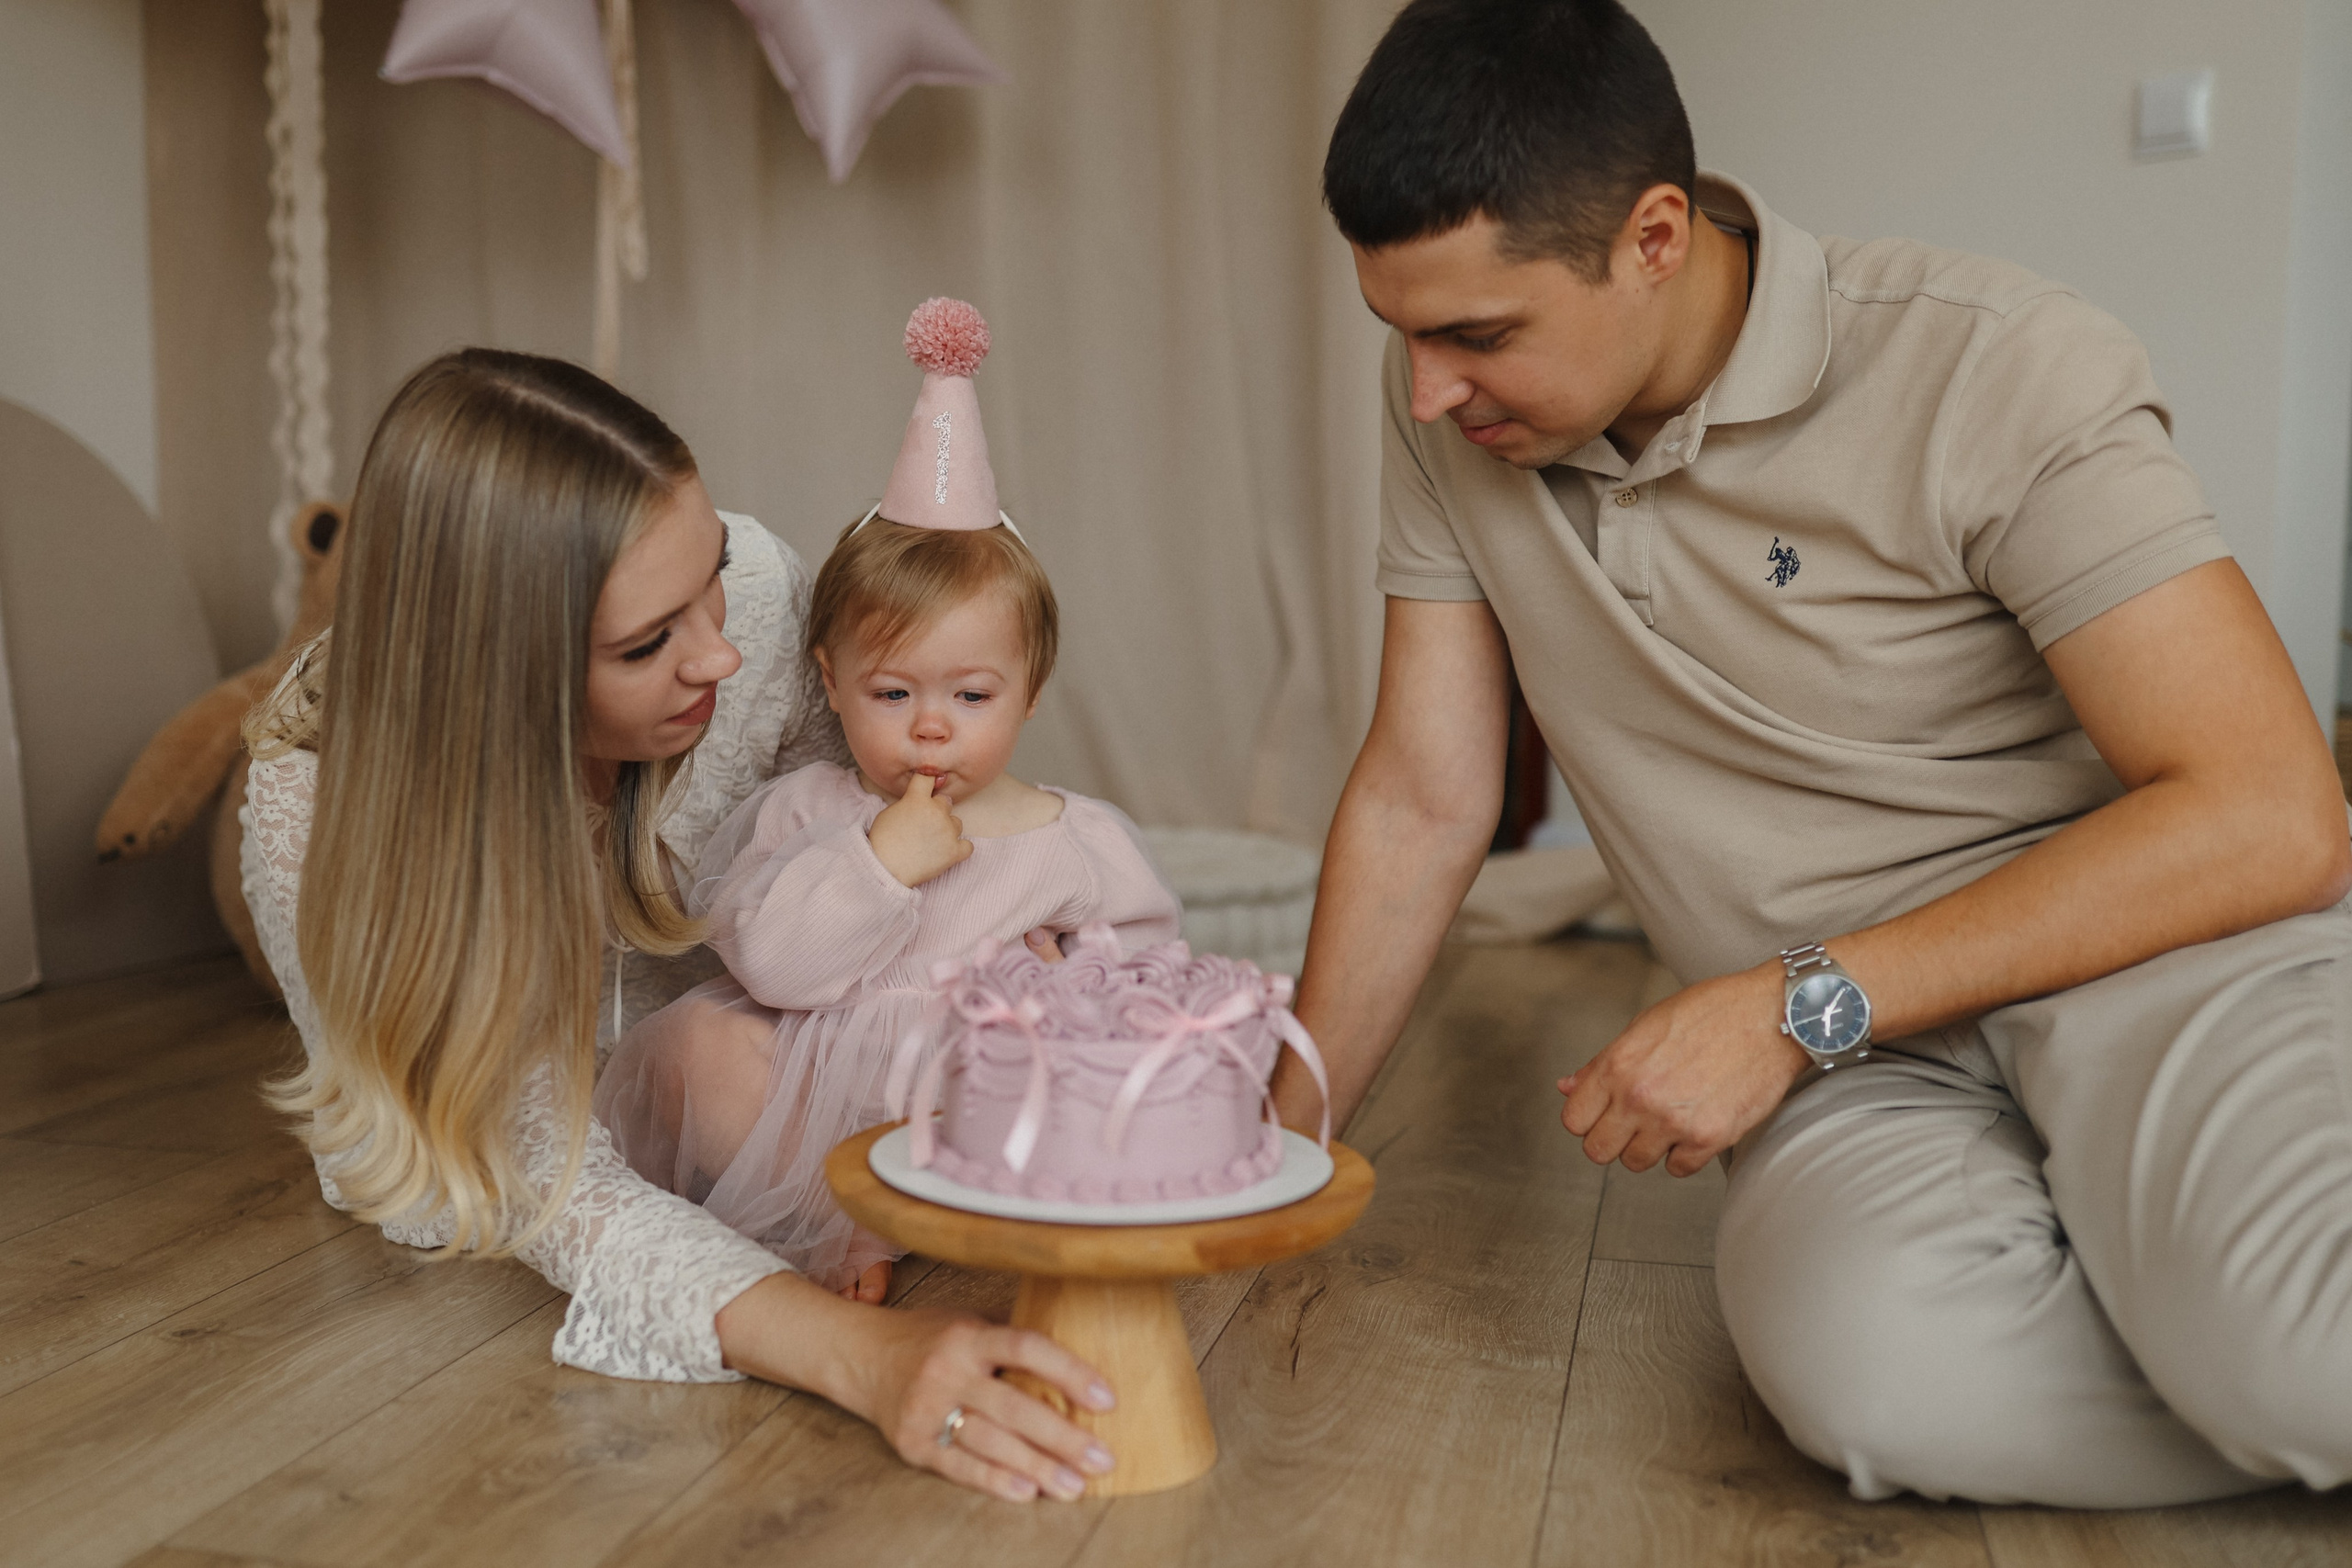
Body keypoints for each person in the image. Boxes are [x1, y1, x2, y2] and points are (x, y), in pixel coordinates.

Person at [1275, 0, 2352, 1509]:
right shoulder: (1451, 417)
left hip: (2146, 962)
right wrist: (1273, 1144)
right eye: (1402, 332)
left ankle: (2261, 1360)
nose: (1430, 387)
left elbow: (2275, 814)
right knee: (1886, 1388)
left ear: (1654, 237)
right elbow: (1424, 789)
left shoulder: (1995, 365)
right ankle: (2235, 1365)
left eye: (1476, 332)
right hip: (1862, 1064)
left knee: (2306, 1350)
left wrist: (1798, 1000)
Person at [241, 346, 1119, 1503]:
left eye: (706, 573)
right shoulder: (316, 821)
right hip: (494, 1182)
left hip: (738, 1083)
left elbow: (856, 850)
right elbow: (554, 1186)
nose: (724, 650)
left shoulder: (749, 594)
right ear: (507, 679)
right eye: (648, 644)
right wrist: (864, 1360)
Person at [594, 300, 1181, 1302]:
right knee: (705, 1048)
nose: (930, 728)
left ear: (1030, 691)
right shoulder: (805, 811)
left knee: (1086, 1080)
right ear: (829, 681)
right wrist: (877, 863)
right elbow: (774, 968)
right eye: (893, 692)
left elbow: (1150, 975)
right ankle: (832, 1225)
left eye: (971, 695)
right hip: (816, 1102)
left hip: (976, 1104)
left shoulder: (1073, 840)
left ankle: (982, 1212)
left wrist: (1073, 994)